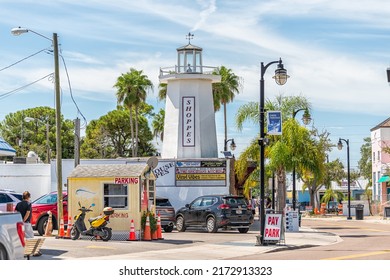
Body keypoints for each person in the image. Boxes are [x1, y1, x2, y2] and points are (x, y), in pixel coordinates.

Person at [15, 191, 42, 256]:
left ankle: (22, 251)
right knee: (30, 237)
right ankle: (34, 252)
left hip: (19, 223)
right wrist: (24, 220)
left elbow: (16, 212)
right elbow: (28, 213)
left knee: (21, 237)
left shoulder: (18, 204)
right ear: (28, 197)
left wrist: (19, 220)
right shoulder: (28, 204)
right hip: (26, 223)